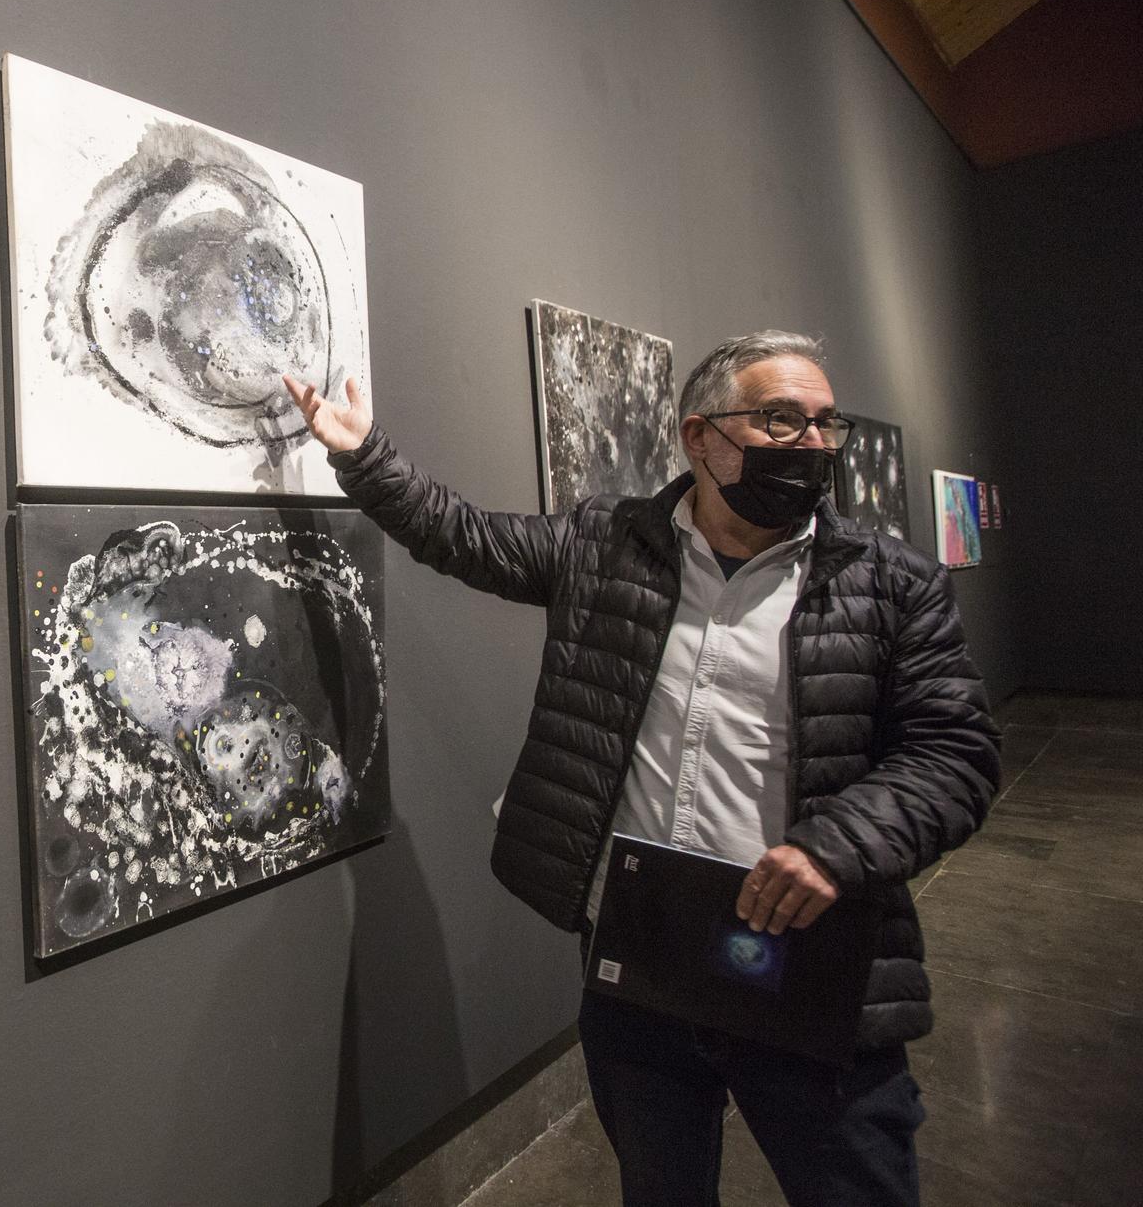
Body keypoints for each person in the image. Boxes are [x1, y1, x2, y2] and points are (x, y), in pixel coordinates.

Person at [283, 330, 999, 1207]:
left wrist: (839, 845)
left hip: (807, 967)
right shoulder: (606, 544)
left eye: (824, 424)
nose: (811, 445)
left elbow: (955, 752)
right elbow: (463, 537)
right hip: (642, 960)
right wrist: (362, 454)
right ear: (701, 437)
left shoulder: (891, 583)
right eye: (780, 419)